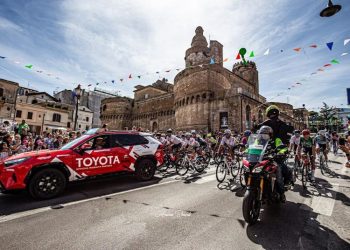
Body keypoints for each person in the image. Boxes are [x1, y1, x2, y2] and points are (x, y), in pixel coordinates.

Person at [257, 105, 293, 202]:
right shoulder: (259, 140)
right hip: (262, 158)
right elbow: (252, 146)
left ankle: (281, 194)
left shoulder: (276, 140)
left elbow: (282, 146)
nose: (265, 134)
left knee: (279, 172)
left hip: (275, 157)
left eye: (267, 133)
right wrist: (246, 151)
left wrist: (282, 151)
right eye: (263, 133)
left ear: (270, 133)